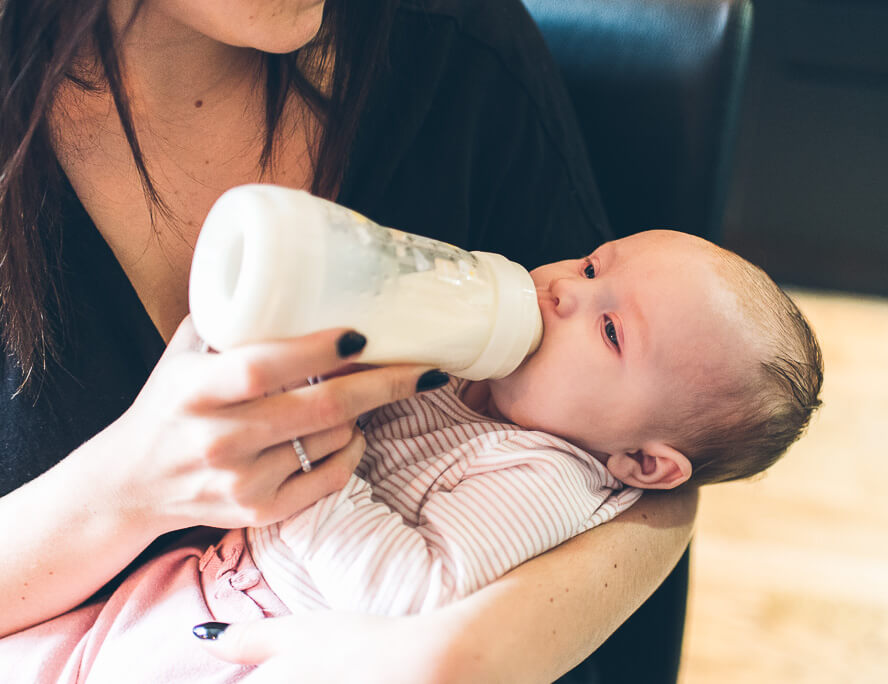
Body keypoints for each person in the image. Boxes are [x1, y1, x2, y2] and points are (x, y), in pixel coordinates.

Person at [0, 1, 702, 682]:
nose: (566, 288)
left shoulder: (457, 50)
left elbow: (670, 439)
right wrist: (123, 489)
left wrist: (466, 655)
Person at [0, 229, 823, 682]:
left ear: (644, 464)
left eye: (610, 330)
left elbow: (411, 594)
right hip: (190, 589)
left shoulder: (548, 477)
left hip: (258, 635)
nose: (563, 289)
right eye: (591, 262)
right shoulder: (489, 388)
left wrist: (304, 455)